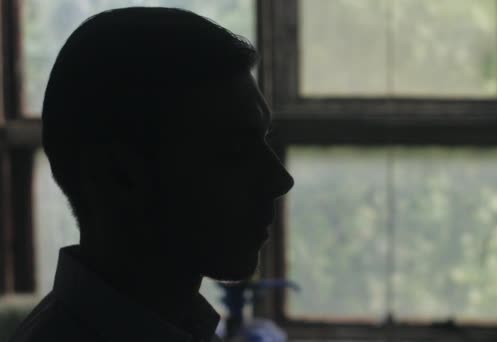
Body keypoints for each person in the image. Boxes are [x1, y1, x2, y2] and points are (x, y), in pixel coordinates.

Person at [10, 6, 294, 342]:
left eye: (263, 142)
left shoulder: (179, 324)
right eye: (233, 151)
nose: (279, 180)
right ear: (120, 175)